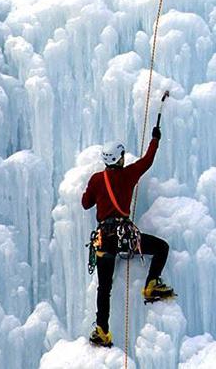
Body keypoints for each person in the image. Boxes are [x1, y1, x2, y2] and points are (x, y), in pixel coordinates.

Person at [81, 126, 174, 348]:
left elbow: (86, 203)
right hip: (124, 237)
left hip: (104, 239)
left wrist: (95, 191)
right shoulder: (128, 174)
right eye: (122, 156)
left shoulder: (97, 179)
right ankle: (151, 284)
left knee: (104, 288)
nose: (124, 158)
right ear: (118, 158)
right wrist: (155, 139)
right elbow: (147, 161)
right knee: (161, 248)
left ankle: (102, 330)